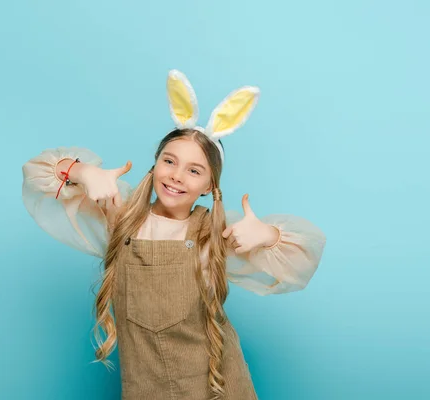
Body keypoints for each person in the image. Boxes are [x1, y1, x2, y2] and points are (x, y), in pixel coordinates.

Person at [21, 70, 326, 400]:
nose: (177, 176)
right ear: (155, 164)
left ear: (209, 186)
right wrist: (83, 172)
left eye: (194, 170)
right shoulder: (120, 214)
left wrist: (267, 235)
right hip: (145, 386)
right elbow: (37, 172)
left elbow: (302, 256)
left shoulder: (215, 231)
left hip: (217, 385)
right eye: (170, 161)